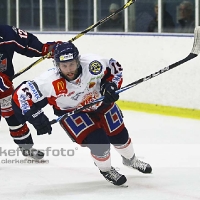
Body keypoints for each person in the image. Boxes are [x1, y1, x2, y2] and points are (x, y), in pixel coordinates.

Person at [12, 42, 152, 186]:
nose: (69, 70)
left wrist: (110, 85)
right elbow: (21, 95)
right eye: (64, 65)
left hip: (100, 103)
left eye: (72, 64)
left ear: (78, 60)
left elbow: (114, 68)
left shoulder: (92, 64)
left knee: (120, 136)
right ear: (56, 64)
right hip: (72, 112)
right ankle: (106, 170)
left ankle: (131, 160)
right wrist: (36, 117)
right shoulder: (50, 80)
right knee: (99, 143)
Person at [0, 24, 60, 160]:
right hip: (3, 83)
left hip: (4, 87)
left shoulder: (6, 32)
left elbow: (28, 43)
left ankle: (26, 147)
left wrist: (49, 49)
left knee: (13, 116)